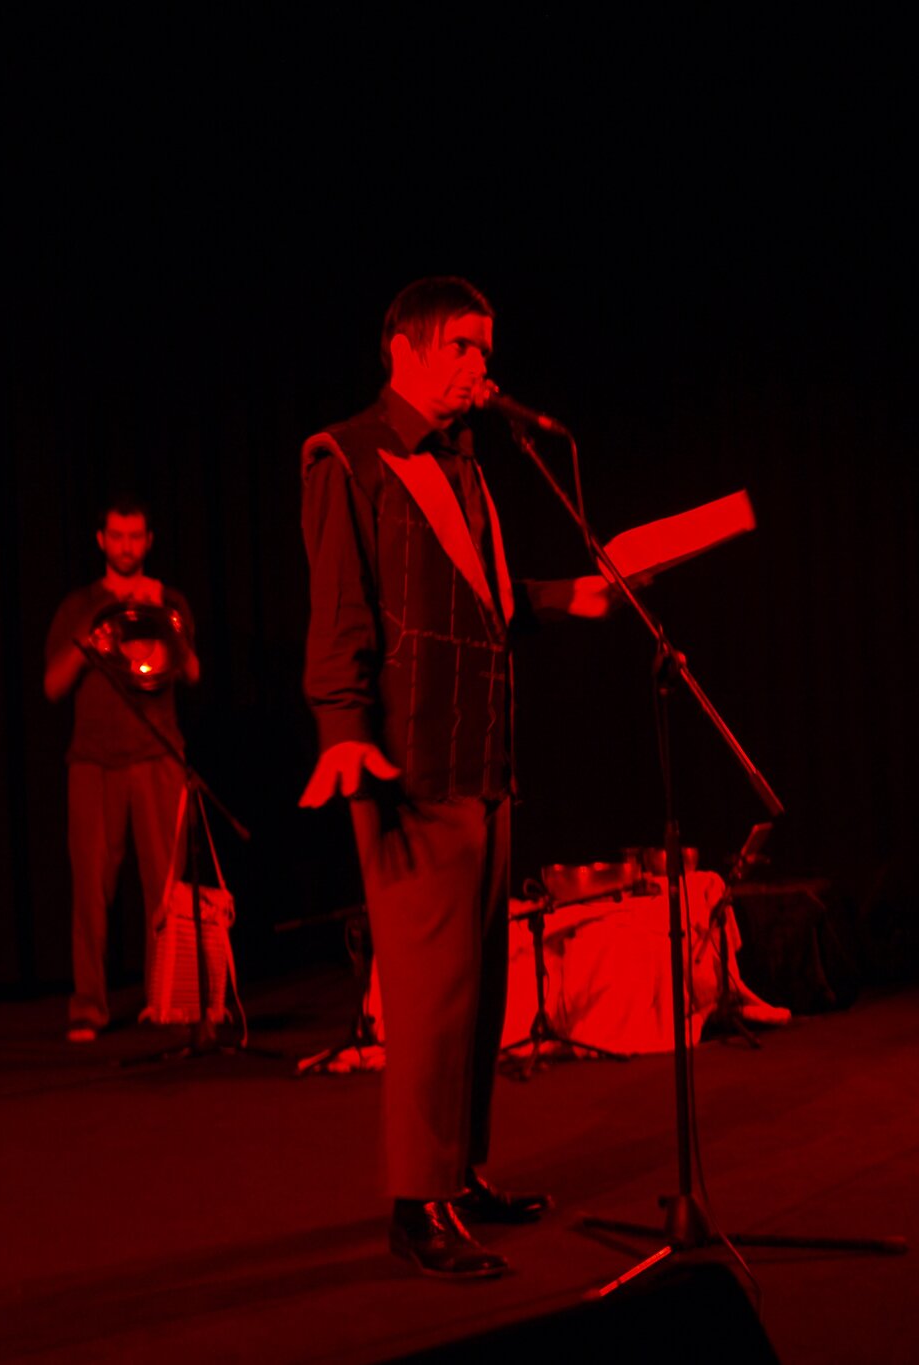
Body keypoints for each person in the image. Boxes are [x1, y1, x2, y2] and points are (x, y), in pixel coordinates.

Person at [298, 276, 622, 1279]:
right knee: (431, 995)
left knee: (480, 988)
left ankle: (460, 1171)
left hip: (483, 758)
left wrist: (565, 597)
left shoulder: (468, 463)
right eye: (462, 346)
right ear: (403, 347)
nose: (482, 366)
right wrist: (341, 729)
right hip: (409, 762)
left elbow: (482, 598)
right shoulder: (347, 455)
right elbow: (341, 610)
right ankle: (416, 1203)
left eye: (486, 347)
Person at [44, 496, 200, 1042]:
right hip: (93, 761)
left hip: (158, 755)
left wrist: (161, 617)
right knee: (91, 893)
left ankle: (166, 1000)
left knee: (165, 890)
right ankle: (88, 1009)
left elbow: (193, 672)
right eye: (117, 536)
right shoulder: (80, 604)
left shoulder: (169, 599)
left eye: (135, 537)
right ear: (101, 540)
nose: (126, 546)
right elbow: (53, 686)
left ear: (149, 541)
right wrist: (90, 639)